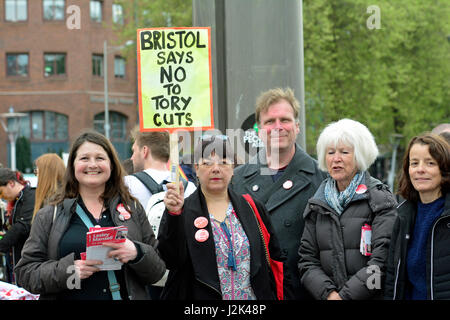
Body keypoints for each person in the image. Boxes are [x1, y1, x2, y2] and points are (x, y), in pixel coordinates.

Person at [15, 130, 166, 300]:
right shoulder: (50, 214)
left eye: (100, 158)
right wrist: (69, 272)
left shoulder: (133, 208)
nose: (92, 165)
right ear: (72, 165)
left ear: (111, 165)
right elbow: (25, 274)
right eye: (84, 158)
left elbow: (158, 271)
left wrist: (137, 253)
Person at [158, 134, 288, 300]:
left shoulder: (252, 208)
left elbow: (276, 258)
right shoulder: (181, 211)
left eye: (223, 162)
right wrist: (174, 215)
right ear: (196, 168)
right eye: (207, 163)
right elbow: (170, 260)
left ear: (233, 168)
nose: (216, 168)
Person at [231, 87, 326, 299]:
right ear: (258, 130)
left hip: (305, 291)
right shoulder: (236, 180)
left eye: (285, 119)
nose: (278, 127)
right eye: (270, 121)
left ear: (297, 126)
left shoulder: (323, 178)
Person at [298, 118, 397, 300]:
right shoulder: (317, 204)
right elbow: (307, 261)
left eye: (344, 152)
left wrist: (345, 297)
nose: (336, 159)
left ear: (359, 156)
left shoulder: (380, 199)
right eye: (330, 152)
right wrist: (328, 294)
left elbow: (381, 262)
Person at [384, 133, 450, 300]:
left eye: (430, 163)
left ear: (444, 169)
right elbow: (393, 277)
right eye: (414, 163)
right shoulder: (403, 215)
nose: (420, 169)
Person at [124, 126, 196, 210]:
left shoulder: (127, 185)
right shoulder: (190, 188)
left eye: (134, 151)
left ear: (144, 151)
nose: (132, 157)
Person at [0, 168, 35, 283]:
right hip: (14, 261)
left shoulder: (30, 196)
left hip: (28, 263)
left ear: (11, 183)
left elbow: (23, 226)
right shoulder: (15, 201)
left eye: (1, 192)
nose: (1, 196)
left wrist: (2, 243)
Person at [32, 153, 66, 221]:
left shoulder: (56, 201)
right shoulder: (64, 195)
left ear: (46, 174)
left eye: (37, 173)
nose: (37, 177)